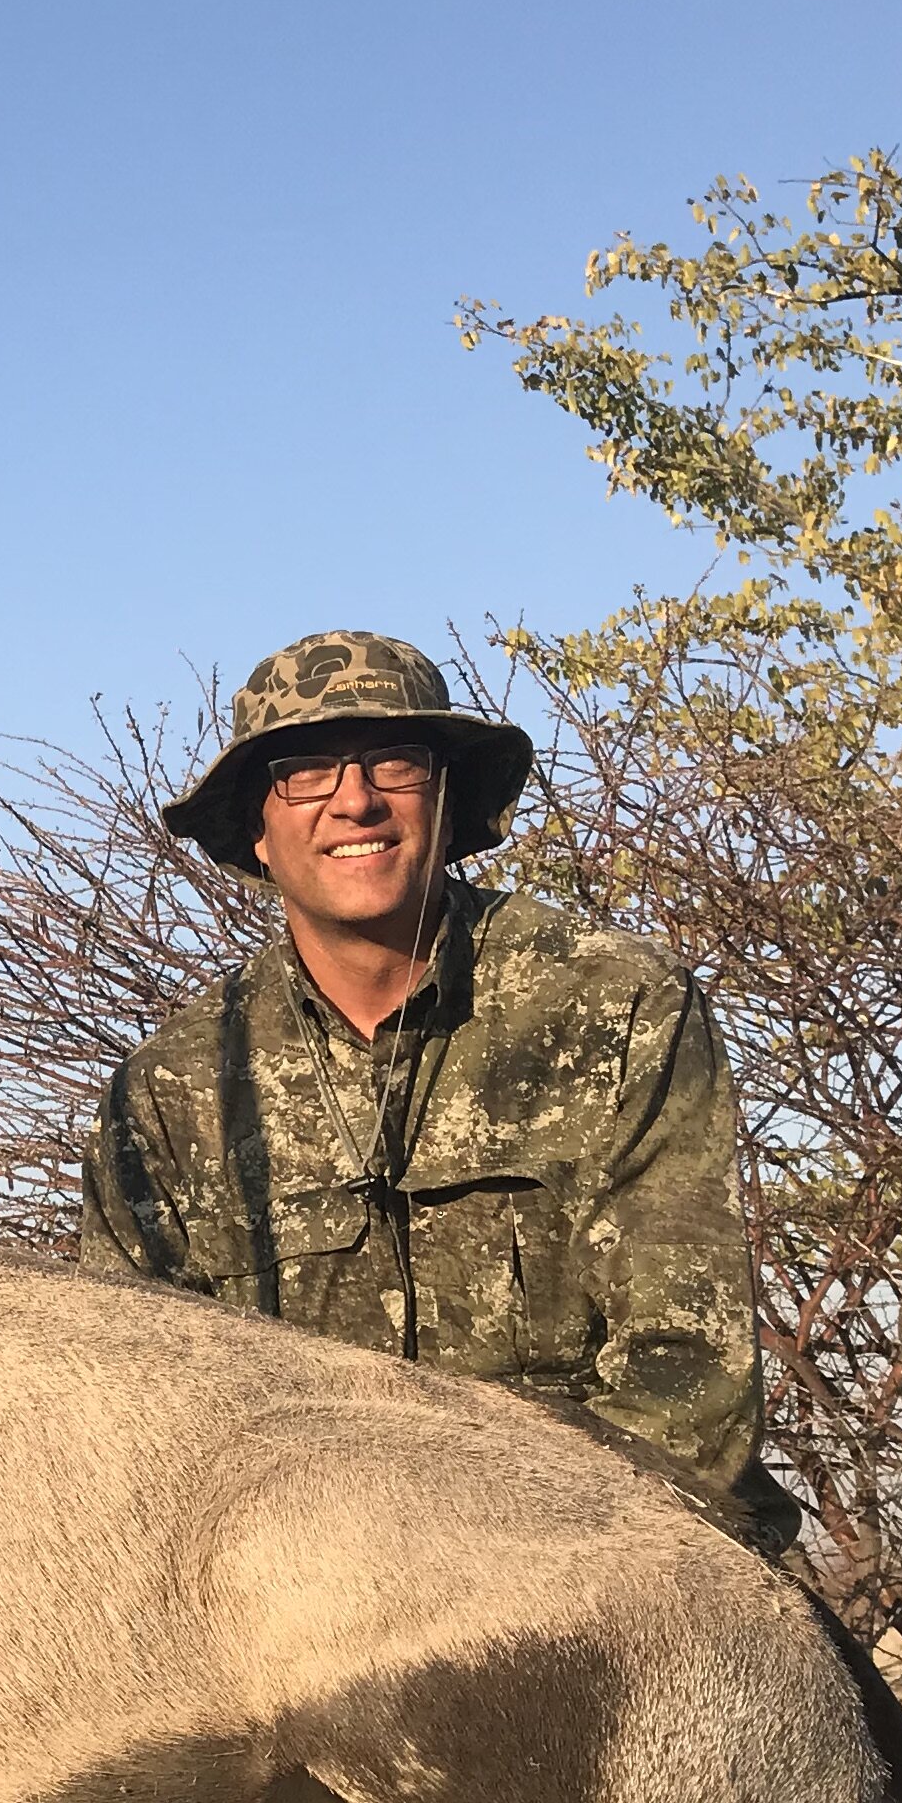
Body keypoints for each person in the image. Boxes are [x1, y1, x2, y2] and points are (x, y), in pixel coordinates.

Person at [79, 629, 800, 1553]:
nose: (355, 801)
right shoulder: (165, 1094)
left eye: (397, 763)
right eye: (304, 771)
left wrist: (480, 1573)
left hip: (608, 1568)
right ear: (257, 830)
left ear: (447, 803)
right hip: (296, 1605)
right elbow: (136, 1424)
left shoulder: (616, 1002)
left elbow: (687, 1382)